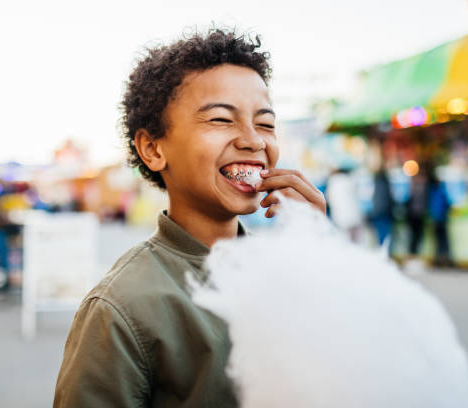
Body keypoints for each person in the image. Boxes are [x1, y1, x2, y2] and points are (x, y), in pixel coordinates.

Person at [53, 29, 326, 407]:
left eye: (265, 123)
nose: (254, 141)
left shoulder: (289, 268)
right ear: (153, 149)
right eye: (220, 119)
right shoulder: (122, 306)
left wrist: (320, 257)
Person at [325, 168, 363, 242]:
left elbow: (328, 199)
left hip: (340, 217)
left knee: (345, 241)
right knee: (356, 241)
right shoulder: (350, 180)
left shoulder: (332, 183)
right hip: (354, 215)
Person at [371, 166, 394, 246]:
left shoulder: (374, 183)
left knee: (380, 233)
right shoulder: (386, 183)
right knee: (386, 233)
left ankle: (381, 247)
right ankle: (384, 249)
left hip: (377, 211)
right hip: (385, 211)